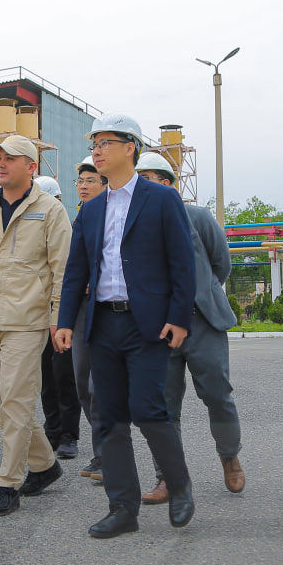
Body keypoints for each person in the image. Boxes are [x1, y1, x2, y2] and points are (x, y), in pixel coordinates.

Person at [55, 113, 197, 539]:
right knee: (108, 417)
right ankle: (122, 508)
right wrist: (65, 322)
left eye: (105, 143)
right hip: (102, 324)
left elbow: (182, 263)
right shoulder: (91, 209)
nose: (96, 151)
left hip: (146, 323)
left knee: (149, 409)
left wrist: (179, 317)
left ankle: (179, 485)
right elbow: (76, 270)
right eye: (94, 144)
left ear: (130, 147)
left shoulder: (161, 199)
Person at [0, 135, 72, 517]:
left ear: (31, 167)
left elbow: (63, 270)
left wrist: (59, 320)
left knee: (16, 401)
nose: (0, 164)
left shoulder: (50, 211)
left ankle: (8, 483)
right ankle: (44, 465)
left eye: (10, 158)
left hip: (28, 320)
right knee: (8, 400)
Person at [132, 151, 245, 503]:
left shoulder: (197, 217)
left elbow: (220, 263)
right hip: (157, 328)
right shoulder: (133, 224)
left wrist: (200, 295)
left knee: (217, 394)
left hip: (202, 321)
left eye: (146, 179)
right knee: (163, 404)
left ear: (167, 184)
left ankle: (229, 456)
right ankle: (167, 477)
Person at [35, 175, 81, 459]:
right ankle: (52, 428)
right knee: (45, 376)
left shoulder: (71, 229)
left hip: (64, 312)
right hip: (37, 311)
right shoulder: (31, 229)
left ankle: (68, 434)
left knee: (64, 375)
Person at [72, 156, 108, 479]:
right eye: (80, 181)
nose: (83, 186)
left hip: (108, 308)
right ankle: (103, 452)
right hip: (81, 309)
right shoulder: (79, 216)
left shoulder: (115, 214)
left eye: (90, 181)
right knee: (82, 382)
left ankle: (106, 455)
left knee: (101, 387)